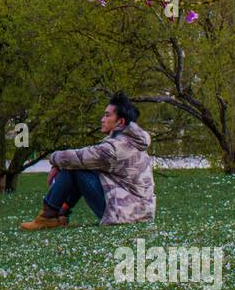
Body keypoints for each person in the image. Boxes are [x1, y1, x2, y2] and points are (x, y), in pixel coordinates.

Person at [20, 92, 156, 230]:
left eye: (107, 115)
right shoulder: (132, 142)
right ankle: (60, 213)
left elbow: (77, 158)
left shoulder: (115, 148)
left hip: (123, 213)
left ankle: (48, 216)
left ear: (120, 122)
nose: (102, 119)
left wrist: (54, 161)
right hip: (138, 212)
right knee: (80, 166)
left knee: (75, 166)